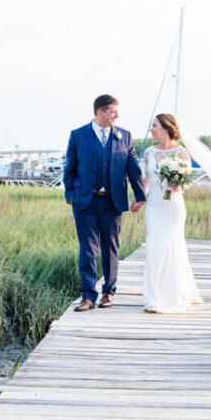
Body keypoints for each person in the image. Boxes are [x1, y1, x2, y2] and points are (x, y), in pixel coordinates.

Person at [63, 94, 146, 311]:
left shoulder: (124, 136)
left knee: (110, 248)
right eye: (113, 111)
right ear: (100, 111)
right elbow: (69, 168)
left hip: (113, 202)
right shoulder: (78, 135)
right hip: (85, 203)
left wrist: (140, 195)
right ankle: (88, 296)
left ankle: (108, 292)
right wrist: (70, 193)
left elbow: (133, 168)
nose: (117, 115)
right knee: (88, 250)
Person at [142, 113, 202, 313]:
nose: (151, 129)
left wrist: (177, 186)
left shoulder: (182, 152)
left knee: (174, 248)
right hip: (154, 207)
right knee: (153, 247)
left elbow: (186, 184)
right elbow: (146, 183)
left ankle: (177, 294)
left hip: (174, 207)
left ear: (165, 129)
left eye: (155, 126)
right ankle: (151, 298)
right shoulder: (149, 152)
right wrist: (139, 199)